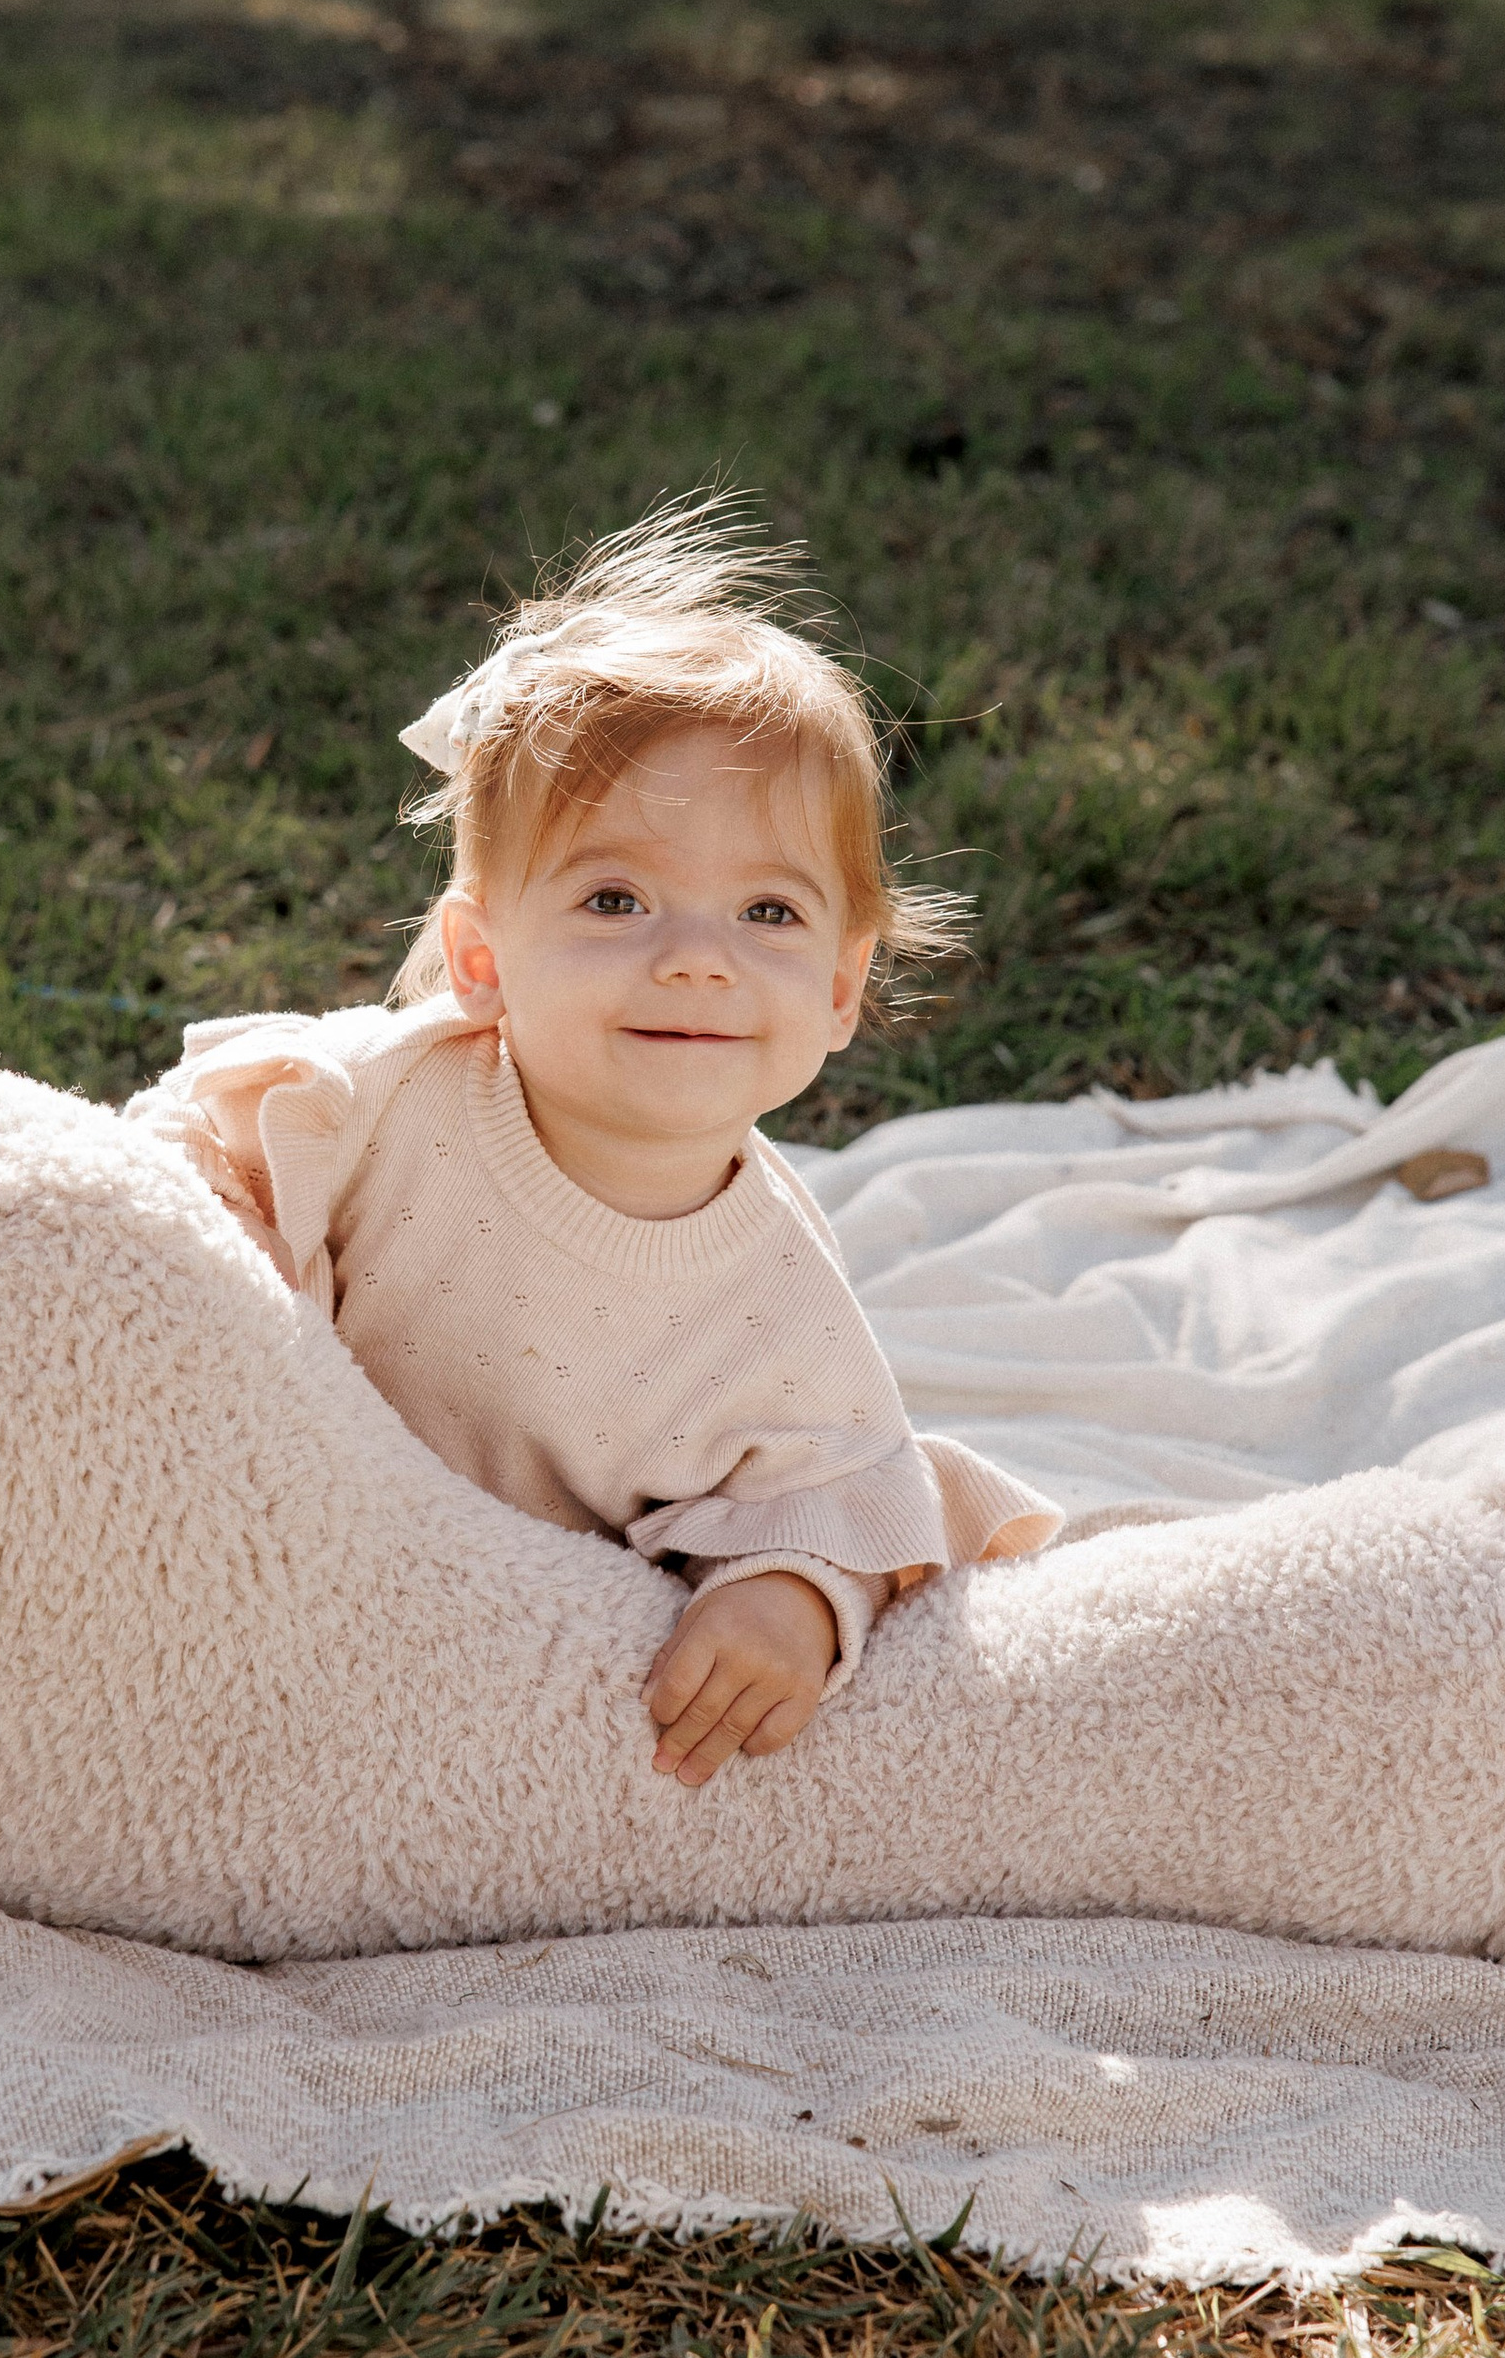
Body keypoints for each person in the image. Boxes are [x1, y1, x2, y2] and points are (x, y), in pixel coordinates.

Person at [129, 507, 1059, 1790]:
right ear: (480, 959)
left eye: (767, 911)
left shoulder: (775, 1301)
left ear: (842, 991)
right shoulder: (379, 1097)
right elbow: (180, 1159)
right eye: (613, 899)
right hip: (263, 1555)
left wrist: (783, 1598)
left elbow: (835, 1492)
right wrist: (221, 1266)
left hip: (496, 1677)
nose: (694, 954)